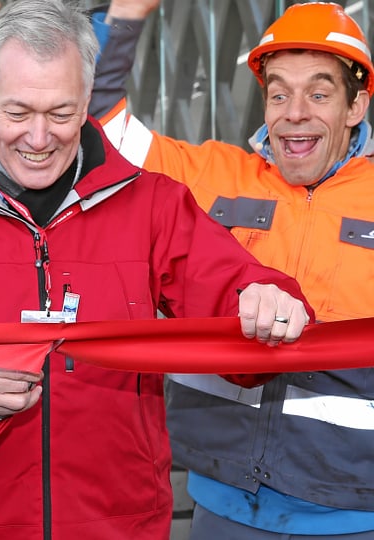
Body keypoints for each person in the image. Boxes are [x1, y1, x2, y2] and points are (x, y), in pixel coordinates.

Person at [0, 1, 313, 538]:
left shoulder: (152, 205)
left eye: (60, 113)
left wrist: (269, 297)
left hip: (118, 522)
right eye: (18, 112)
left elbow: (235, 292)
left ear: (88, 100)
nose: (38, 138)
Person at [94, 1, 374, 538]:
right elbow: (96, 125)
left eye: (319, 93)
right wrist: (125, 16)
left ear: (355, 106)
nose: (295, 111)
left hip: (354, 511)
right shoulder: (212, 177)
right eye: (278, 93)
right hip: (222, 502)